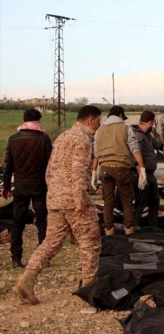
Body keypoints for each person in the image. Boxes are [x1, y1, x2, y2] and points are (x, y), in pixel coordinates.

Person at [14, 106, 102, 305]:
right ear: (90, 120)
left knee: (51, 242)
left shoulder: (62, 137)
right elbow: (78, 170)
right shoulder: (82, 139)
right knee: (90, 243)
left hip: (56, 199)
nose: (98, 125)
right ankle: (89, 290)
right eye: (98, 121)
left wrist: (53, 195)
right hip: (74, 201)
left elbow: (50, 170)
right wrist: (80, 200)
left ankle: (26, 281)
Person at [2, 109, 52, 269]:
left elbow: (7, 166)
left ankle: (16, 258)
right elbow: (51, 165)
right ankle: (43, 258)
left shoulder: (13, 139)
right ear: (38, 120)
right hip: (39, 186)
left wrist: (7, 186)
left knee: (17, 222)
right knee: (42, 221)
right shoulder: (44, 139)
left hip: (20, 186)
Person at [93, 106, 146, 235]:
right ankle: (129, 229)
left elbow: (96, 153)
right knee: (126, 201)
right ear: (121, 115)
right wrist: (142, 168)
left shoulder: (99, 130)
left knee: (108, 201)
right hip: (121, 167)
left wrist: (93, 172)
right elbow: (135, 149)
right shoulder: (126, 129)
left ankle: (109, 230)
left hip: (104, 168)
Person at [130, 111, 164, 228]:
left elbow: (159, 145)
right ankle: (135, 226)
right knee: (140, 202)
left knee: (154, 201)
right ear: (150, 122)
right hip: (141, 174)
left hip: (150, 174)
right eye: (154, 123)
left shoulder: (147, 136)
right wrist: (140, 172)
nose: (154, 125)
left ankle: (153, 226)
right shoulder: (138, 136)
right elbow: (135, 154)